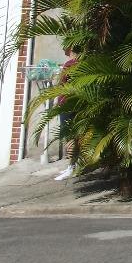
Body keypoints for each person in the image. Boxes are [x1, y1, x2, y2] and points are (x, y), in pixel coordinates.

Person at [53, 47, 79, 182]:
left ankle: (71, 167)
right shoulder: (79, 63)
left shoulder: (70, 64)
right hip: (72, 103)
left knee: (69, 136)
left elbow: (62, 82)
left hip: (67, 104)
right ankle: (72, 165)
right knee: (73, 136)